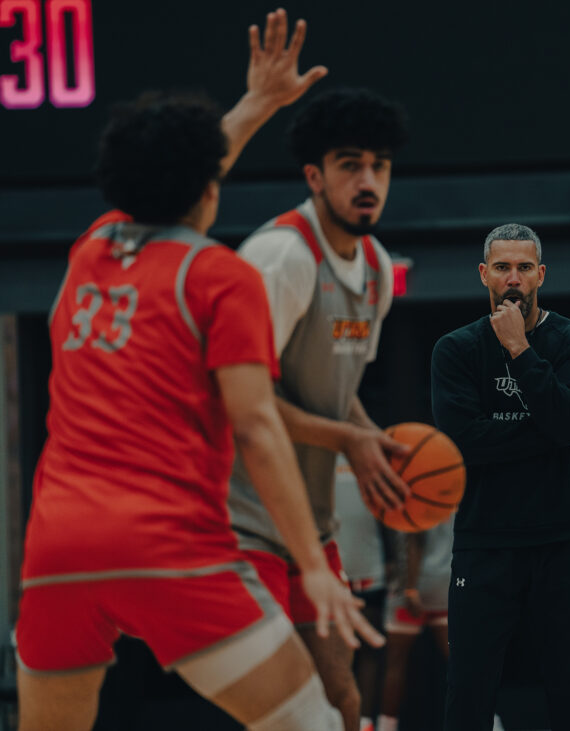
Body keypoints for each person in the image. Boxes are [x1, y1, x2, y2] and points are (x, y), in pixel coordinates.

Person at [14, 11, 382, 731]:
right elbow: (255, 424)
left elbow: (171, 177)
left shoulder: (90, 252)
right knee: (314, 723)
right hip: (168, 547)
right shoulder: (217, 275)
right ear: (209, 192)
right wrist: (310, 561)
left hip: (58, 553)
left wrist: (254, 104)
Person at [228, 85, 412, 730]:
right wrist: (345, 440)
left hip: (310, 524)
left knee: (341, 700)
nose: (369, 180)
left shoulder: (380, 270)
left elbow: (337, 393)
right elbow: (238, 400)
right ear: (315, 175)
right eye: (350, 164)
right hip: (238, 520)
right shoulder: (281, 259)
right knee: (278, 709)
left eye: (380, 165)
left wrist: (373, 442)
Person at [431, 223, 570, 731]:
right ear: (484, 274)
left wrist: (521, 351)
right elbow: (464, 443)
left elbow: (563, 421)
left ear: (541, 275)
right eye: (503, 267)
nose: (514, 279)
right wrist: (561, 433)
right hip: (485, 543)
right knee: (468, 692)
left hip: (567, 539)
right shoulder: (456, 349)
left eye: (524, 268)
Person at [377, 516, 454, 731]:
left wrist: (410, 588)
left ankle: (386, 727)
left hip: (410, 588)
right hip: (445, 584)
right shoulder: (459, 485)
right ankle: (490, 721)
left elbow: (415, 537)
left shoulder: (415, 486)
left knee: (395, 663)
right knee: (461, 664)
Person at [335, 455, 389, 731]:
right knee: (334, 656)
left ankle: (366, 724)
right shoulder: (311, 453)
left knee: (370, 652)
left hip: (370, 572)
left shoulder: (370, 455)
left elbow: (388, 514)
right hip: (331, 576)